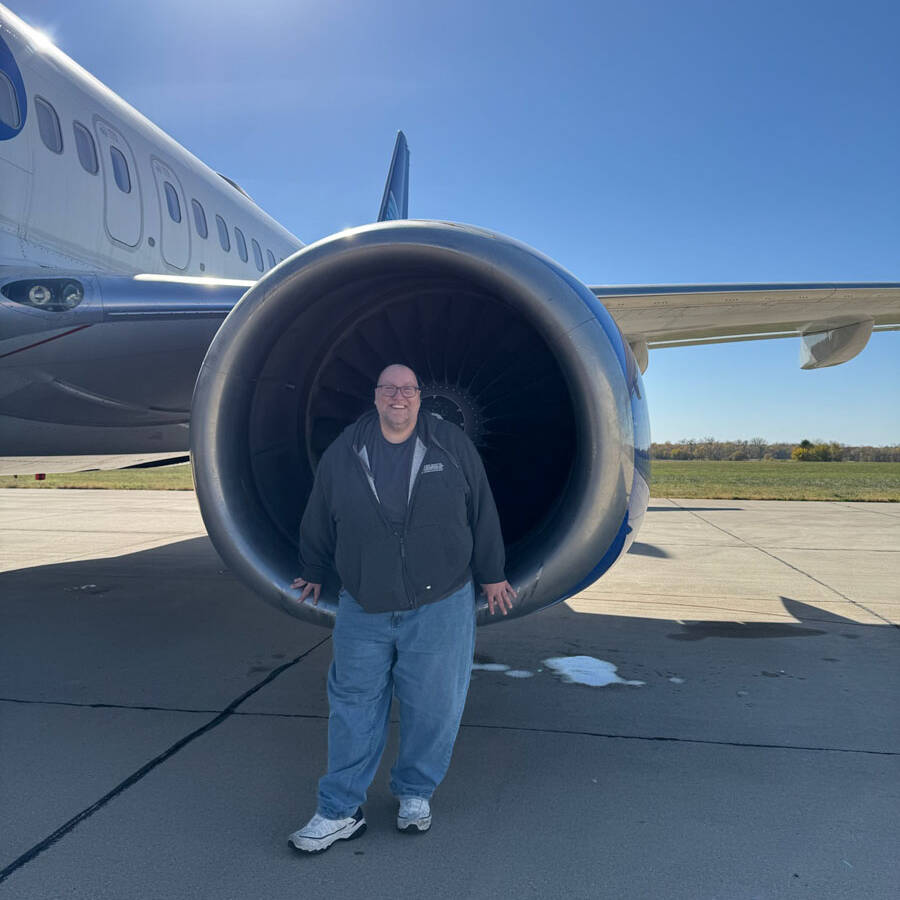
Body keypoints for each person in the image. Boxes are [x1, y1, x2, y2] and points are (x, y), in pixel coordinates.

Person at [288, 363, 516, 854]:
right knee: (353, 707)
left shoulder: (450, 445)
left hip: (441, 601)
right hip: (365, 602)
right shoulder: (346, 451)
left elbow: (482, 510)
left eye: (407, 389)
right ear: (375, 398)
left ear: (419, 398)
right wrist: (312, 566)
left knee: (434, 706)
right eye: (389, 389)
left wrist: (493, 573)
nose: (399, 397)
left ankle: (415, 793)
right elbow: (319, 513)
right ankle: (339, 809)